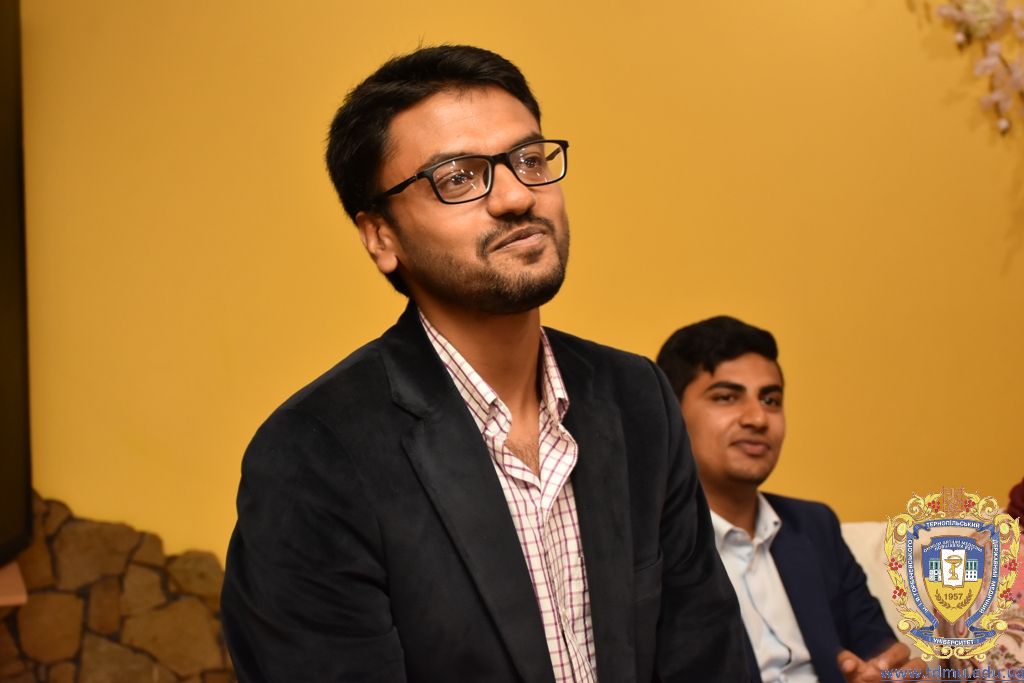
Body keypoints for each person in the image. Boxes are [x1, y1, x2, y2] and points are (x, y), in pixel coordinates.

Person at [221, 45, 749, 682]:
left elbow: (706, 654)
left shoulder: (637, 397)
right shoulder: (312, 454)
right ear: (381, 236)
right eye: (458, 178)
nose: (517, 197)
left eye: (529, 160)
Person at [656, 316, 910, 683]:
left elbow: (879, 652)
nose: (758, 418)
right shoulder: (651, 546)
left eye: (771, 400)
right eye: (726, 397)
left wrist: (888, 671)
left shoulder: (814, 526)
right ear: (671, 414)